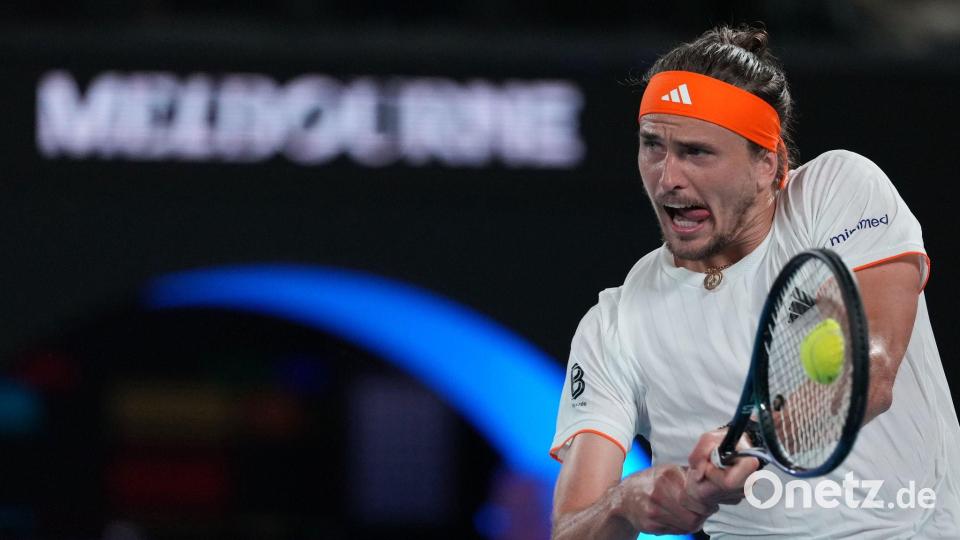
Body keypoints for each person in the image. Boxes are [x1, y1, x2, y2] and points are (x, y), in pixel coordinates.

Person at [549, 24, 960, 539]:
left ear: (768, 164)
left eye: (697, 152)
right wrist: (625, 505)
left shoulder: (836, 191)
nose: (666, 177)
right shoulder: (613, 323)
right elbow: (570, 527)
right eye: (653, 145)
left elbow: (870, 371)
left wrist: (753, 439)